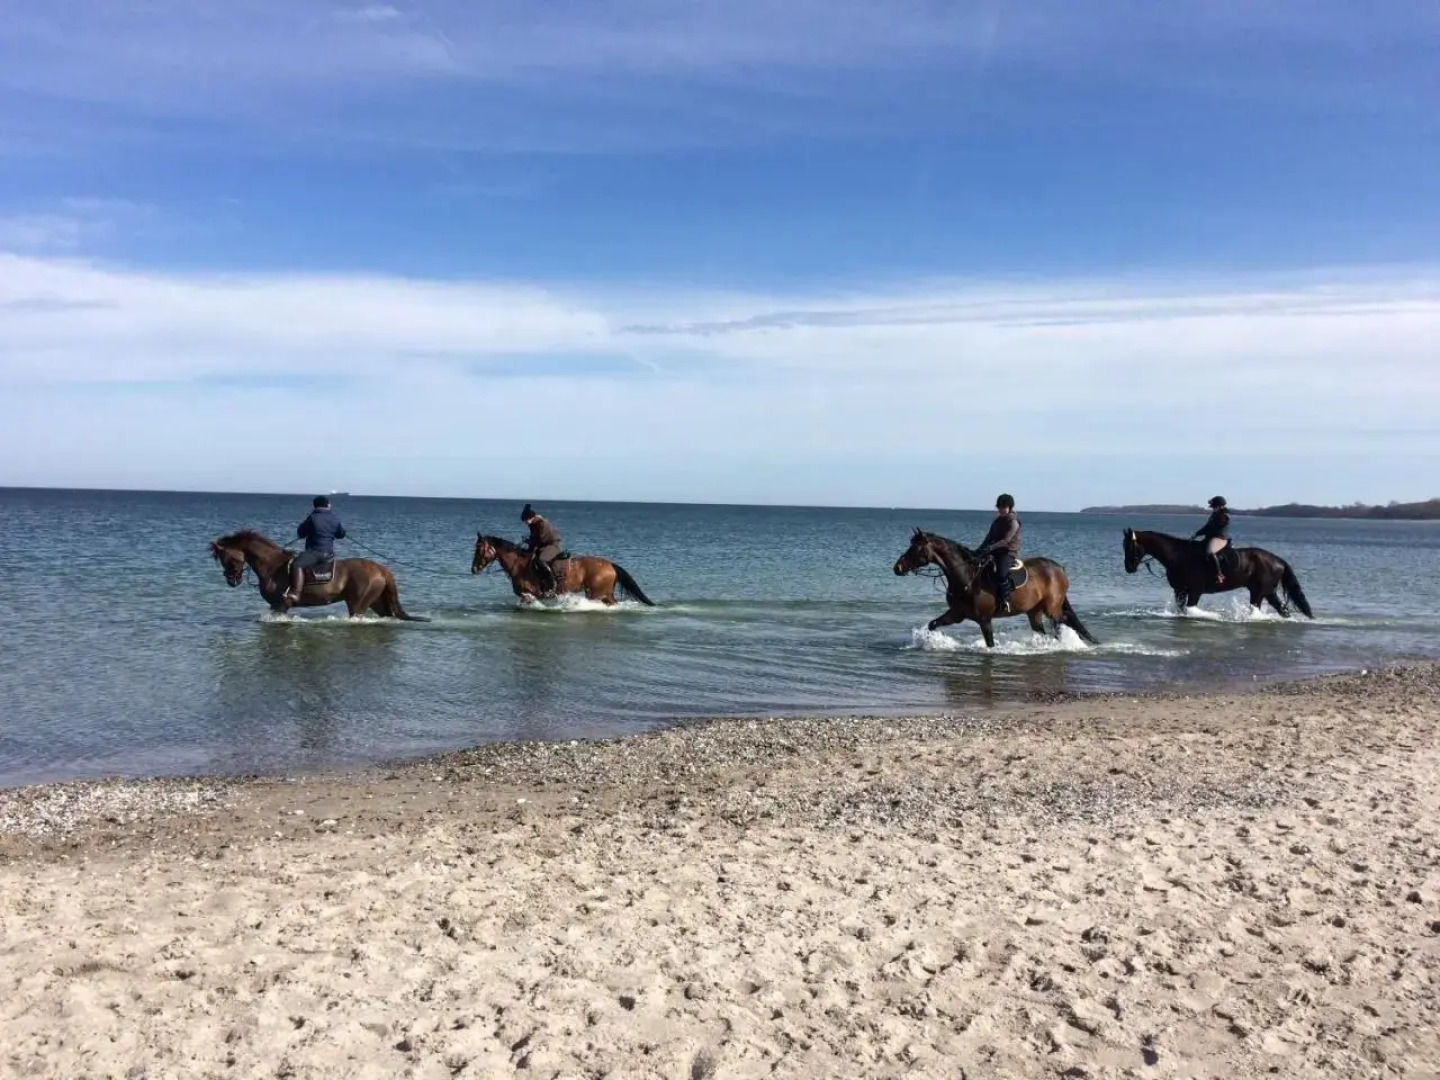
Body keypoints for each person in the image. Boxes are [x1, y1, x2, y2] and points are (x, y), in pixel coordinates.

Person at [284, 496, 346, 603]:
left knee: (296, 564)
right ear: (327, 505)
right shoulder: (334, 518)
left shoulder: (312, 517)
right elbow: (341, 534)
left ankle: (295, 593)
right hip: (329, 554)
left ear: (315, 505)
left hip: (315, 552)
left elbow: (301, 533)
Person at [977, 494, 1022, 615]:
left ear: (1009, 507)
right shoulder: (997, 521)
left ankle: (1005, 600)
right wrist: (979, 550)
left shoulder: (1013, 522)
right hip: (995, 551)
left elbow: (1006, 541)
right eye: (999, 507)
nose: (1001, 509)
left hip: (1008, 553)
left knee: (1001, 574)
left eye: (1004, 507)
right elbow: (989, 537)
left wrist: (990, 548)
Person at [520, 504, 563, 595]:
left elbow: (541, 539)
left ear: (531, 517)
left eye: (526, 520)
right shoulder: (532, 524)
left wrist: (529, 541)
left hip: (553, 545)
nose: (525, 523)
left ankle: (552, 582)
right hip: (543, 545)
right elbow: (534, 539)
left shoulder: (542, 523)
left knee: (540, 559)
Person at [1192, 495, 1231, 584]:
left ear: (1220, 506)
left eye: (1215, 507)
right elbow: (1206, 527)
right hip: (1211, 538)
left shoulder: (1223, 517)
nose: (1213, 508)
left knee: (1210, 552)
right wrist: (1196, 534)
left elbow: (1213, 529)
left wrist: (1204, 533)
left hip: (1219, 538)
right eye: (1213, 507)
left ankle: (1219, 574)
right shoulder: (1214, 515)